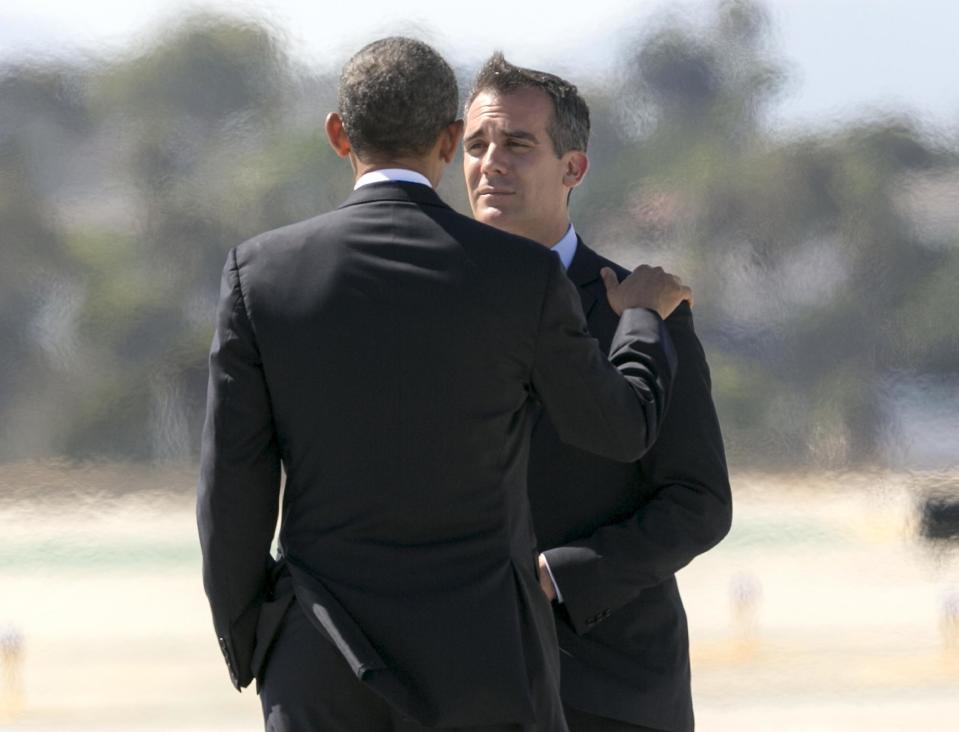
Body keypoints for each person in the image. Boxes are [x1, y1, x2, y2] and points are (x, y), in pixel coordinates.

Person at [198, 38, 692, 732]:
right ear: (451, 139)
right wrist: (639, 319)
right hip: (485, 668)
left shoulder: (261, 275)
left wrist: (256, 643)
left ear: (339, 133)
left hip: (321, 662)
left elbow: (232, 489)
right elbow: (618, 429)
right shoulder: (519, 277)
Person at [462, 54, 732, 732]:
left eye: (516, 143)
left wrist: (561, 575)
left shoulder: (641, 305)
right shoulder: (418, 306)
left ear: (572, 168)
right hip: (456, 686)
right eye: (475, 144)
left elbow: (699, 501)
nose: (490, 162)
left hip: (611, 687)